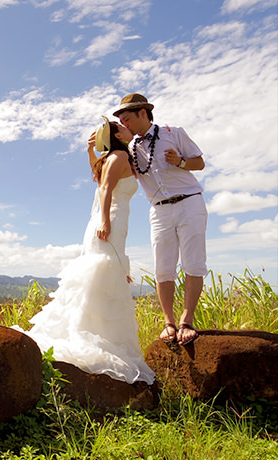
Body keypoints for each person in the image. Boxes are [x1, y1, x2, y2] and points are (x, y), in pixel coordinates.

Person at [15, 116, 155, 385]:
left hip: (115, 219)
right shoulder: (118, 157)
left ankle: (96, 328)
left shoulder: (115, 158)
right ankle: (88, 331)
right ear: (116, 134)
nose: (126, 127)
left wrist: (90, 151)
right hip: (111, 218)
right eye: (121, 126)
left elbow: (98, 172)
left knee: (105, 268)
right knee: (101, 266)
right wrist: (104, 220)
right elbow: (104, 188)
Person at [113, 93, 207, 346]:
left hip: (190, 201)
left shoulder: (174, 132)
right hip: (158, 209)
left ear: (143, 113)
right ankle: (169, 322)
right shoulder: (131, 148)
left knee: (193, 261)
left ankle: (187, 319)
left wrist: (181, 161)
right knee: (163, 267)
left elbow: (200, 162)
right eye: (122, 120)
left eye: (127, 118)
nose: (125, 124)